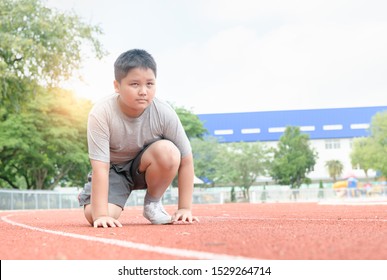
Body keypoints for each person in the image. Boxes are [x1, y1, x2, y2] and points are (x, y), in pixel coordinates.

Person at [78, 49, 199, 227]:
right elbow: (100, 168)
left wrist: (185, 208)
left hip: (145, 167)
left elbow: (186, 160)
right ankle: (97, 198)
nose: (143, 91)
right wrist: (101, 214)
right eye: (135, 84)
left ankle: (153, 204)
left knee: (170, 151)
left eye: (149, 84)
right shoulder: (101, 113)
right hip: (113, 170)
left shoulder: (164, 113)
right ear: (117, 86)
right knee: (95, 216)